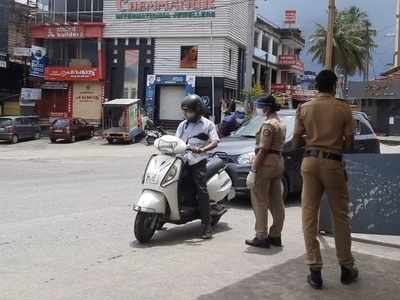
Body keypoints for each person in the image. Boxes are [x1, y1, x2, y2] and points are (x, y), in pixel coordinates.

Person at [292, 70, 358, 290]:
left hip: (309, 162)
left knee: (309, 215)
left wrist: (311, 138)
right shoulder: (343, 108)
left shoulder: (304, 108)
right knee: (340, 216)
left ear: (316, 86)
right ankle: (347, 268)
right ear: (334, 86)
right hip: (333, 163)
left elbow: (295, 141)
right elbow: (350, 143)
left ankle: (315, 270)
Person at [176, 94, 220, 239]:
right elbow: (176, 141)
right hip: (182, 159)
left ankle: (206, 225)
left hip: (198, 161)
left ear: (198, 110)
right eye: (185, 112)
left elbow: (214, 141)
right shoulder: (183, 124)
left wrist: (202, 149)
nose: (187, 114)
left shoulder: (207, 124)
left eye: (189, 111)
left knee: (201, 189)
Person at [246, 95, 286, 248]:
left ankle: (261, 236)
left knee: (259, 200)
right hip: (278, 162)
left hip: (266, 163)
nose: (260, 109)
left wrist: (253, 170)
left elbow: (263, 150)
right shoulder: (280, 123)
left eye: (262, 106)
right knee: (276, 201)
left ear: (267, 108)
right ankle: (276, 235)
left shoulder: (269, 124)